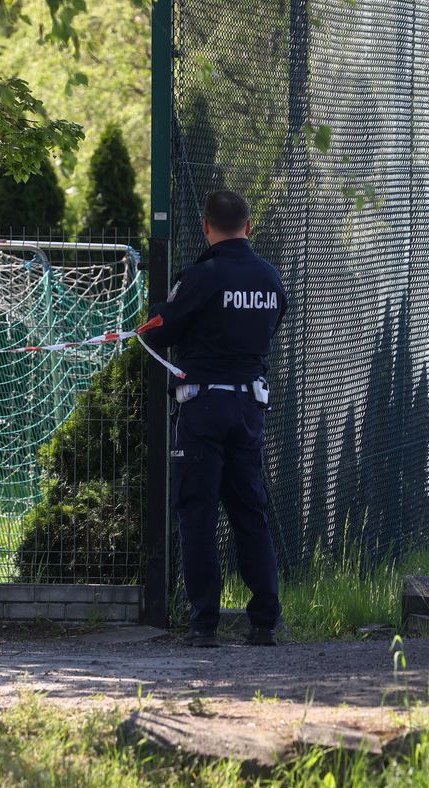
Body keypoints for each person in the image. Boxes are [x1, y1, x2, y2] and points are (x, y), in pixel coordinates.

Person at [140, 191, 288, 647]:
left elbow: (158, 332)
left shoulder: (201, 278)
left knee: (197, 512)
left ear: (206, 227)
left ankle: (204, 623)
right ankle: (264, 620)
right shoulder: (270, 279)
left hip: (201, 409)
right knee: (249, 510)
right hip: (249, 408)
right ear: (248, 226)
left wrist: (162, 310)